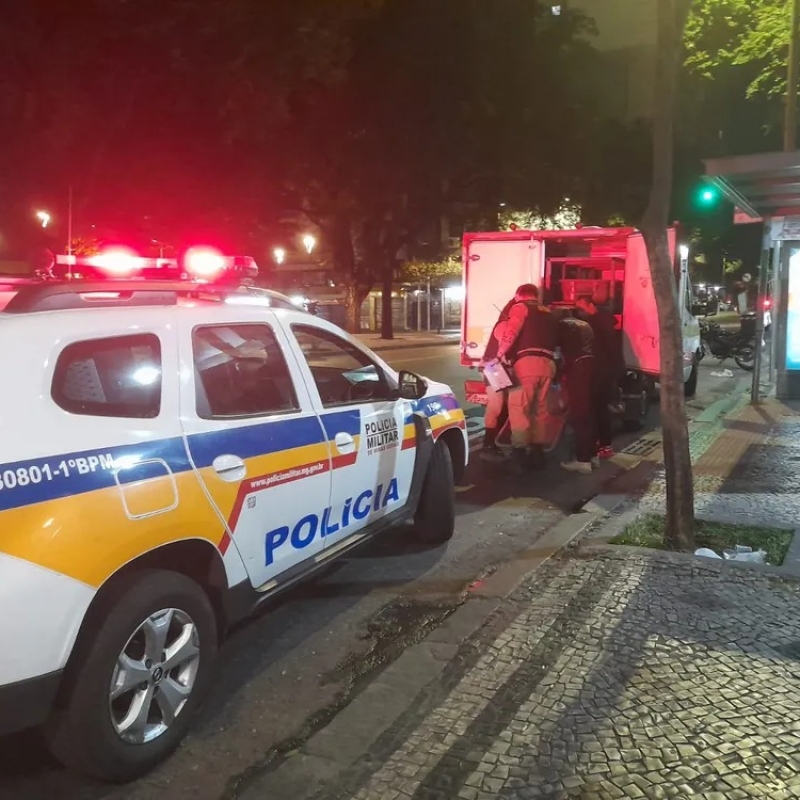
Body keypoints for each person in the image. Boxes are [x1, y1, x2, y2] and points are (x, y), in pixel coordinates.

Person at [493, 283, 558, 470]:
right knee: (541, 409)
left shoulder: (520, 307)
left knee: (519, 407)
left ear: (519, 295)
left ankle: (519, 455)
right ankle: (538, 454)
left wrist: (499, 354)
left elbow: (511, 332)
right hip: (548, 364)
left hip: (527, 364)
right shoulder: (549, 312)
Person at [575, 287, 625, 459]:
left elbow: (600, 349)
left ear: (590, 305)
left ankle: (602, 445)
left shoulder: (595, 323)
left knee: (597, 408)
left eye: (581, 308)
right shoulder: (605, 319)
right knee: (601, 407)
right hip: (609, 370)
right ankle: (602, 444)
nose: (579, 312)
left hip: (601, 371)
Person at [557, 314, 596, 474]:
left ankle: (583, 461)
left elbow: (560, 352)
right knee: (589, 416)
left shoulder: (564, 325)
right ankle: (592, 456)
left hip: (578, 369)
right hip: (591, 365)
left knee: (579, 417)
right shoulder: (584, 324)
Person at [479, 297, 516, 459]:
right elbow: (504, 347)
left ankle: (494, 442)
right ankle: (488, 444)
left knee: (501, 406)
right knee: (496, 405)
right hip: (494, 367)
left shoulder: (506, 324)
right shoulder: (504, 325)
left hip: (496, 367)